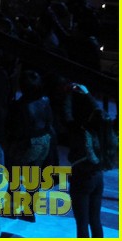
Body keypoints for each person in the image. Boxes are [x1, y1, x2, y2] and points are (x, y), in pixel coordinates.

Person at [67, 85, 110, 237]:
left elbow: (65, 114)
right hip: (98, 176)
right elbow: (99, 111)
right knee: (95, 220)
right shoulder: (101, 125)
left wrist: (69, 95)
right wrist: (87, 94)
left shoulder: (77, 128)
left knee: (82, 224)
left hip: (81, 177)